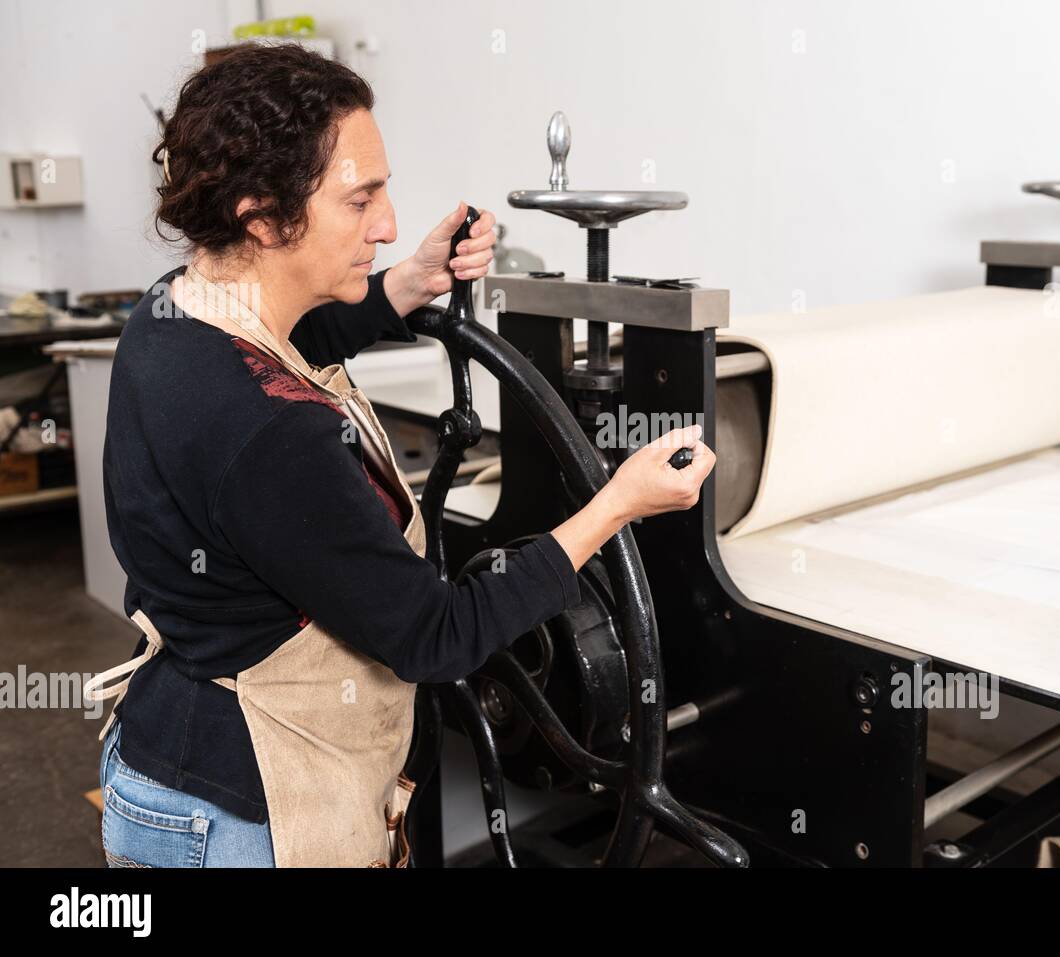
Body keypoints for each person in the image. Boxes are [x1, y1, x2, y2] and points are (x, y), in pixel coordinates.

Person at [86, 43, 714, 868]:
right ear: (264, 216)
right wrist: (614, 506)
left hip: (162, 763)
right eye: (360, 200)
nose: (385, 224)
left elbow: (290, 336)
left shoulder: (174, 312)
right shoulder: (275, 434)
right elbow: (436, 638)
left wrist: (410, 281)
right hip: (242, 818)